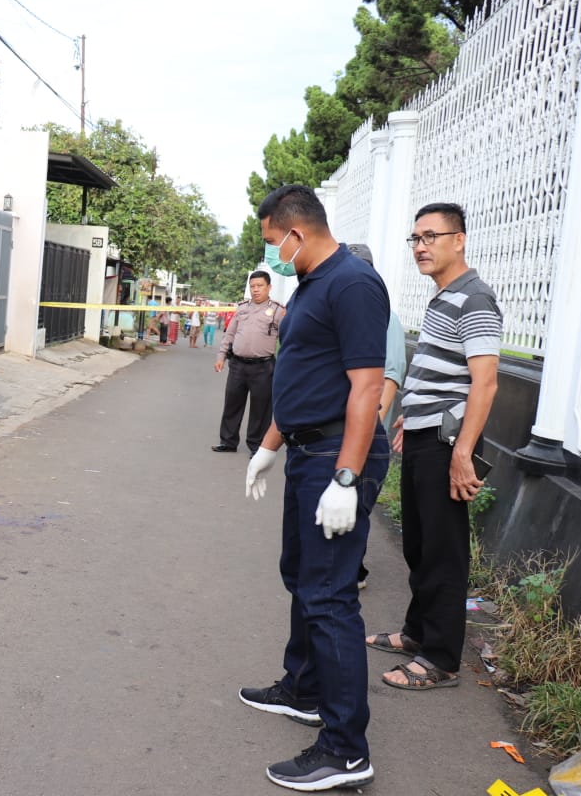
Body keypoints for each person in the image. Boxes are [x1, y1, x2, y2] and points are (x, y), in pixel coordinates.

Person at [237, 184, 389, 791]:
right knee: (301, 575)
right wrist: (269, 447)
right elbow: (301, 375)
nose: (272, 255)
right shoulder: (311, 285)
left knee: (330, 596)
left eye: (275, 242)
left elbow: (366, 386)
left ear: (297, 232)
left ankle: (347, 750)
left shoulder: (352, 283)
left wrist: (347, 477)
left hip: (335, 454)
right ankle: (303, 688)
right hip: (307, 449)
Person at [366, 203, 501, 691]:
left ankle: (441, 658)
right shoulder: (443, 297)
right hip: (426, 432)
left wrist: (463, 453)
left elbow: (484, 383)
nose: (420, 246)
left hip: (449, 443)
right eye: (415, 239)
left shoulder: (475, 299)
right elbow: (441, 372)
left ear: (459, 240)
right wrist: (412, 410)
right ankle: (419, 633)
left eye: (431, 236)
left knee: (443, 550)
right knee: (420, 543)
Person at [347, 243, 409, 590]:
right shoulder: (348, 313)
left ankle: (352, 570)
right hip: (340, 430)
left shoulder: (387, 319)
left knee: (357, 505)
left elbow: (390, 377)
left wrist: (371, 425)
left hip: (368, 433)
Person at [212, 271, 284, 453]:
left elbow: (287, 338)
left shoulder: (277, 311)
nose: (256, 290)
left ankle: (257, 446)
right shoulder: (242, 308)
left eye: (260, 286)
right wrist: (221, 356)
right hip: (238, 365)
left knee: (261, 409)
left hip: (263, 367)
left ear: (269, 287)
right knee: (232, 403)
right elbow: (230, 334)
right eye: (252, 286)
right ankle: (228, 442)